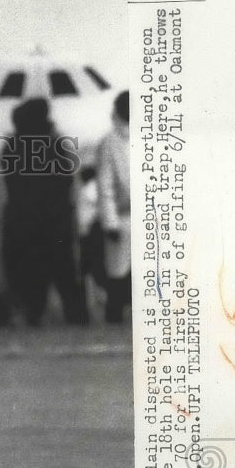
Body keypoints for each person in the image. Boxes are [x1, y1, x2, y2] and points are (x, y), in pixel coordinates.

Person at [0, 98, 86, 327]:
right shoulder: (56, 144)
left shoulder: (12, 145)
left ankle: (29, 314)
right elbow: (66, 181)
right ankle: (75, 317)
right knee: (64, 273)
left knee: (23, 271)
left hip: (21, 220)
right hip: (55, 220)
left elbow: (11, 180)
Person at [97, 90, 131, 323]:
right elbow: (105, 186)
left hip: (150, 217)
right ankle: (115, 317)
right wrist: (110, 221)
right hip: (123, 217)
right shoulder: (110, 142)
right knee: (118, 272)